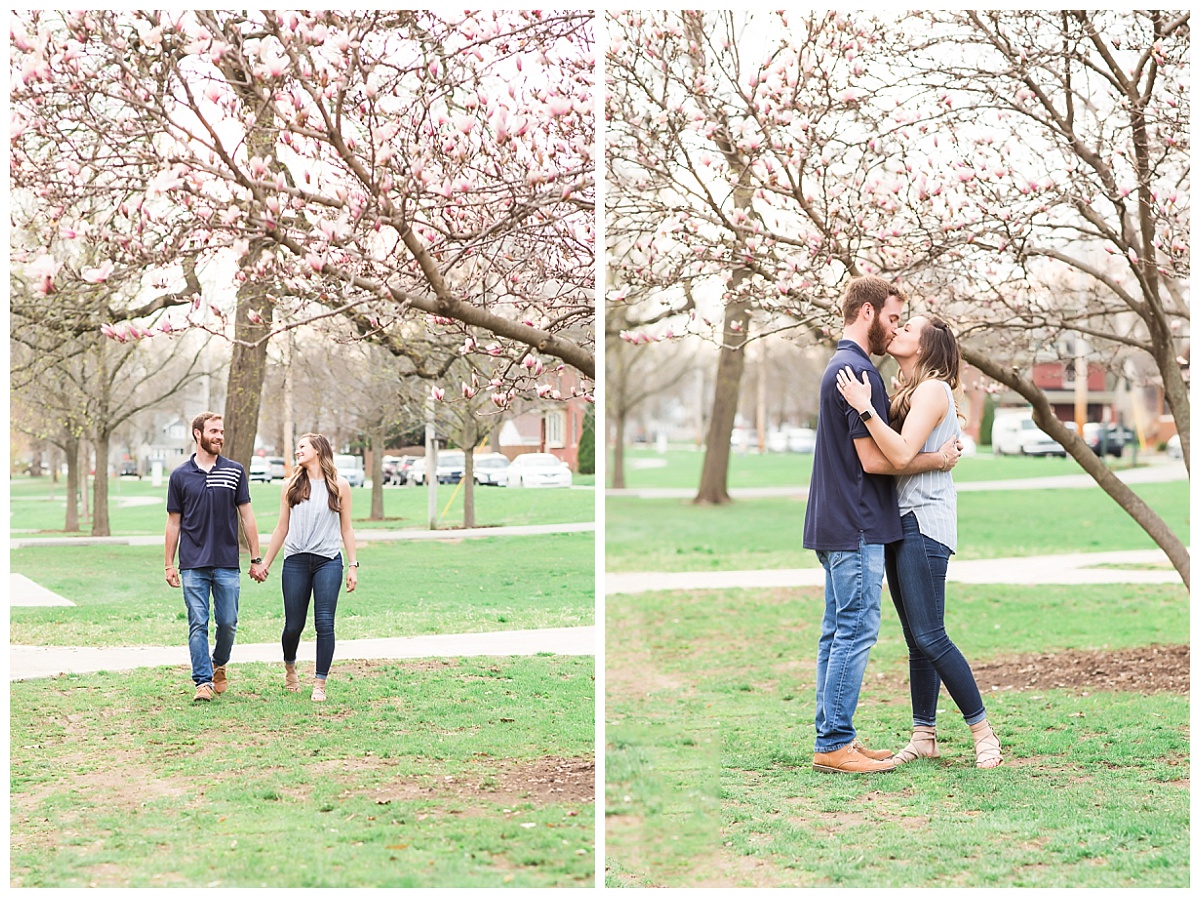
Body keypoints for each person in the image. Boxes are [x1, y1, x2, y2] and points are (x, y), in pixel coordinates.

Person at [803, 276, 962, 774]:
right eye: (893, 318)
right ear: (868, 313)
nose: (894, 329)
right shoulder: (860, 375)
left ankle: (835, 735)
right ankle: (834, 744)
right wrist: (936, 458)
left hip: (834, 520)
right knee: (855, 629)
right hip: (856, 522)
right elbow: (877, 461)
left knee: (837, 630)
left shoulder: (841, 366)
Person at [836, 315, 1003, 769]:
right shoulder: (906, 388)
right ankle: (924, 735)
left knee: (931, 635)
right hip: (902, 520)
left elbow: (901, 453)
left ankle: (983, 732)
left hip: (924, 522)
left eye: (908, 328)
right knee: (916, 640)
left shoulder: (933, 390)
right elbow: (894, 458)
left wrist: (864, 405)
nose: (898, 332)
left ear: (926, 346)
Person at [165, 412, 266, 702]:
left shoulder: (234, 471)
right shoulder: (180, 475)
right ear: (198, 434)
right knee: (197, 622)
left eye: (221, 431)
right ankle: (202, 682)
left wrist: (256, 558)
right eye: (213, 431)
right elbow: (174, 522)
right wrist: (169, 563)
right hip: (192, 563)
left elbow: (246, 516)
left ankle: (219, 662)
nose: (219, 436)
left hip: (226, 563)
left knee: (228, 622)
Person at [260, 433, 358, 702]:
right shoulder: (290, 485)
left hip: (328, 561)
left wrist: (352, 565)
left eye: (302, 446)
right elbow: (282, 528)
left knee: (324, 622)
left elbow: (346, 528)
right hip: (296, 562)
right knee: (294, 625)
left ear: (318, 450)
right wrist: (265, 563)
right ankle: (290, 668)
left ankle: (319, 683)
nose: (298, 451)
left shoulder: (339, 485)